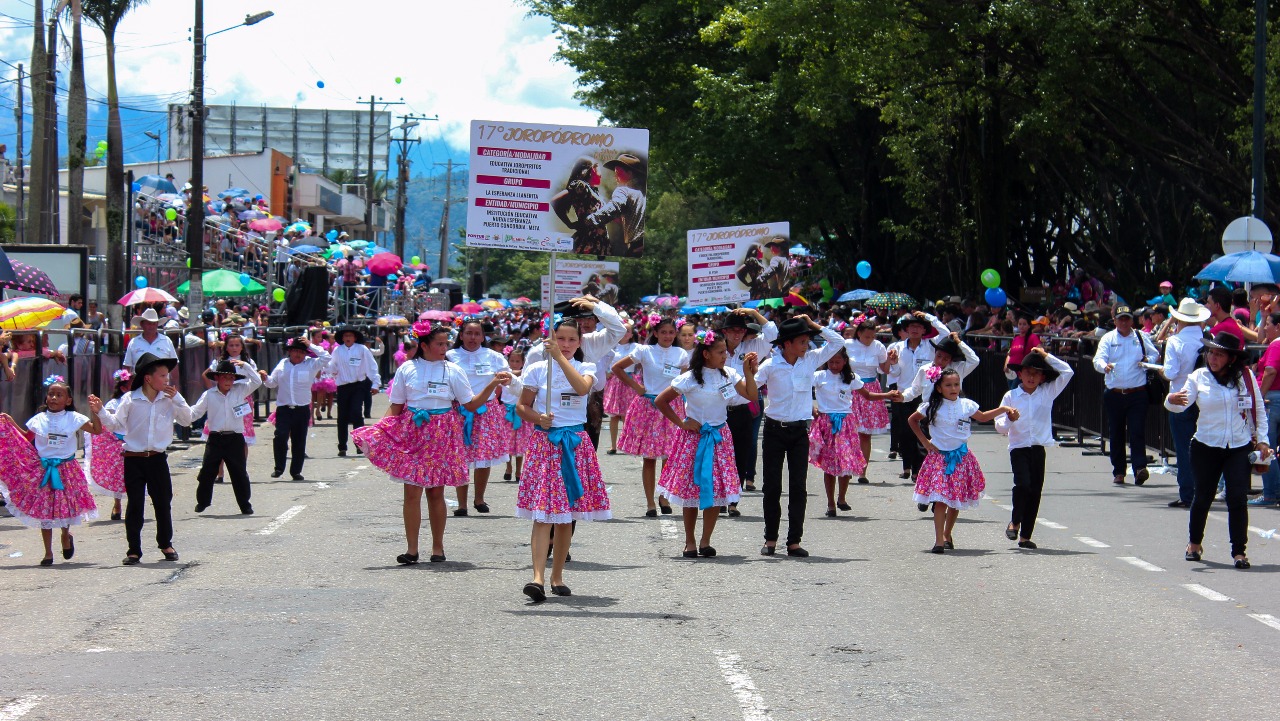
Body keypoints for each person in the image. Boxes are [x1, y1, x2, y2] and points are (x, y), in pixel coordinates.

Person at [354, 326, 510, 564]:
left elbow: (470, 404)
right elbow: (396, 406)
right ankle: (412, 550)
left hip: (442, 434)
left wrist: (491, 384)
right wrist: (379, 431)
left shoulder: (453, 370)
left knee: (436, 492)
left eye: (446, 344)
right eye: (439, 344)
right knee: (411, 492)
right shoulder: (407, 369)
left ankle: (438, 547)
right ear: (424, 345)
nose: (444, 348)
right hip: (413, 432)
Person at [515, 317, 611, 602]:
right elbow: (522, 406)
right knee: (543, 512)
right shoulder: (536, 370)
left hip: (575, 443)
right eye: (560, 339)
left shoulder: (587, 368)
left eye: (571, 339)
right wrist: (538, 418)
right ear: (550, 339)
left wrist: (559, 357)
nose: (565, 344)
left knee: (566, 514)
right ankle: (537, 577)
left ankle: (557, 575)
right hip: (545, 443)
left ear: (579, 342)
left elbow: (581, 388)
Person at [1165, 332, 1269, 570]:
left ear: (1231, 358)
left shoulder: (1245, 378)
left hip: (1239, 446)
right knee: (1203, 496)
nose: (1212, 358)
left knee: (1237, 498)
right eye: (1210, 353)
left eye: (1219, 354)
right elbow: (1180, 404)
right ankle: (1194, 544)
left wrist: (1262, 440)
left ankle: (1239, 552)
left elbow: (1258, 410)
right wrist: (1171, 400)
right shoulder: (1198, 377)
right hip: (1206, 446)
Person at [654, 328, 758, 558]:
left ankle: (705, 541)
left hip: (719, 438)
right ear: (706, 354)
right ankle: (690, 541)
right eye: (720, 352)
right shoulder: (690, 377)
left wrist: (749, 373)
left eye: (725, 352)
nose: (725, 356)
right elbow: (661, 401)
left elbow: (751, 395)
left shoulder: (729, 374)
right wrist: (682, 423)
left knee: (717, 488)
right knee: (691, 491)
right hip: (694, 438)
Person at [753, 315, 844, 557]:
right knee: (772, 487)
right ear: (787, 344)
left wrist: (814, 325)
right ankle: (770, 539)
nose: (806, 346)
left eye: (807, 341)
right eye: (802, 341)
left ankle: (794, 541)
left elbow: (838, 342)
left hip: (800, 431)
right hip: (774, 430)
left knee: (798, 487)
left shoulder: (811, 360)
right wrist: (747, 373)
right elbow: (749, 388)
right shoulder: (770, 365)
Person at [96, 353, 193, 566]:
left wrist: (177, 398)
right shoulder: (131, 399)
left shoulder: (169, 400)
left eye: (167, 375)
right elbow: (116, 424)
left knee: (163, 501)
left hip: (157, 458)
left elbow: (187, 420)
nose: (167, 380)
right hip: (134, 459)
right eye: (162, 376)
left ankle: (165, 543)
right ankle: (134, 550)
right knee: (135, 504)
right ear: (148, 378)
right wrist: (101, 411)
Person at [909, 369, 1016, 553]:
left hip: (960, 458)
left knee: (954, 499)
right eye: (948, 385)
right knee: (940, 499)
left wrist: (1003, 409)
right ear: (939, 388)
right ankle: (938, 541)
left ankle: (947, 534)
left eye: (956, 384)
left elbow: (983, 416)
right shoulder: (931, 406)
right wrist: (925, 442)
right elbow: (912, 420)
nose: (953, 388)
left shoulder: (966, 405)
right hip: (939, 459)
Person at [0, 376, 101, 565]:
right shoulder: (39, 419)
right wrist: (11, 423)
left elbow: (96, 430)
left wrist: (96, 412)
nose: (53, 398)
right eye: (51, 394)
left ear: (68, 400)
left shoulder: (74, 418)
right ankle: (48, 552)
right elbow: (26, 437)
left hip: (67, 470)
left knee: (65, 507)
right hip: (43, 469)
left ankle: (65, 535)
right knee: (44, 511)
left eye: (59, 395)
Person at [995, 348, 1075, 548]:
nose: (1031, 377)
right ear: (1019, 374)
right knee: (1023, 484)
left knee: (1035, 490)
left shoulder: (1047, 392)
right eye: (1027, 372)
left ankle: (1025, 536)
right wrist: (1009, 419)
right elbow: (999, 426)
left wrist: (1046, 356)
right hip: (1018, 447)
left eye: (1036, 373)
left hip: (1038, 447)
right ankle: (1015, 522)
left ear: (1042, 377)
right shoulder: (1011, 396)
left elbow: (1067, 372)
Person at [524, 297, 627, 450]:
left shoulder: (589, 342)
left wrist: (597, 306)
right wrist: (538, 418)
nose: (582, 325)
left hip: (585, 410)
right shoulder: (538, 353)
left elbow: (619, 330)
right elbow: (523, 396)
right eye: (576, 321)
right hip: (547, 422)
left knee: (586, 455)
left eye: (586, 319)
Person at [613, 316, 690, 516]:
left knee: (669, 456)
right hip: (649, 406)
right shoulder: (644, 350)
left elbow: (687, 379)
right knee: (649, 458)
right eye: (663, 332)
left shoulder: (681, 354)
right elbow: (617, 368)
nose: (667, 336)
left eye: (671, 332)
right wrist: (637, 387)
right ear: (655, 333)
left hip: (672, 407)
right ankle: (650, 503)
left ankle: (664, 496)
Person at [809, 348, 900, 516]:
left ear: (845, 362)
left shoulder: (851, 378)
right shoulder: (819, 376)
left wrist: (886, 395)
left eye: (837, 362)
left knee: (846, 462)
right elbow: (801, 389)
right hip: (826, 423)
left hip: (846, 423)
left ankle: (841, 498)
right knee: (829, 465)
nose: (834, 365)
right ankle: (830, 504)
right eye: (831, 362)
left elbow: (868, 395)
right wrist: (811, 408)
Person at [896, 331, 980, 492]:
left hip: (951, 419)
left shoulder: (956, 370)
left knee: (948, 455)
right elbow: (915, 389)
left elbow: (975, 360)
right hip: (929, 415)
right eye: (939, 356)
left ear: (951, 360)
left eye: (946, 358)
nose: (941, 360)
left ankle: (943, 491)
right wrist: (903, 397)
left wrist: (959, 342)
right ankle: (925, 489)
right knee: (926, 453)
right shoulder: (925, 370)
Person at [447, 318, 515, 515]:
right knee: (460, 457)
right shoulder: (450, 356)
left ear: (483, 337)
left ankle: (479, 498)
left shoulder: (494, 357)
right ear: (461, 335)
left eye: (477, 334)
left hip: (486, 412)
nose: (473, 338)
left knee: (483, 456)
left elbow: (507, 380)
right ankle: (461, 504)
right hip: (459, 411)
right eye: (469, 333)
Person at [1092, 305, 1159, 485]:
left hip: (1137, 392)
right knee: (1116, 432)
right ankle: (1119, 471)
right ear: (1114, 320)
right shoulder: (1108, 338)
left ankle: (1139, 468)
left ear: (1132, 320)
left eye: (1127, 319)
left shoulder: (1140, 336)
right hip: (1114, 392)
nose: (1124, 322)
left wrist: (1147, 360)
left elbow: (1154, 354)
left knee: (1137, 431)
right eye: (1120, 319)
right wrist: (1104, 366)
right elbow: (1098, 359)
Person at [720, 309, 777, 510]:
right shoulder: (717, 349)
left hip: (742, 409)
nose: (737, 334)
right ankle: (720, 497)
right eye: (733, 330)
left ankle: (733, 500)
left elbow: (772, 334)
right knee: (719, 456)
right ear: (725, 332)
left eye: (741, 330)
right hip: (718, 411)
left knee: (741, 455)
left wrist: (754, 312)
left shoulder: (752, 347)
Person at [190, 359, 261, 515]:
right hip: (216, 438)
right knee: (207, 471)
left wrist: (245, 366)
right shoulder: (209, 395)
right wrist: (180, 410)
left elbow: (257, 381)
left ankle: (245, 504)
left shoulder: (240, 390)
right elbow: (195, 412)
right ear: (217, 378)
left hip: (235, 438)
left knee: (239, 473)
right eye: (224, 377)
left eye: (231, 378)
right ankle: (203, 501)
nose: (228, 381)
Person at [887, 312, 949, 479]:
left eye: (918, 326)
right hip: (905, 393)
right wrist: (893, 363)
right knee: (905, 432)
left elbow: (945, 333)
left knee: (921, 433)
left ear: (924, 330)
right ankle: (907, 466)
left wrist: (930, 318)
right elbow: (894, 373)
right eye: (911, 326)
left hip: (924, 396)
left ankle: (917, 470)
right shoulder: (897, 347)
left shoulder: (931, 345)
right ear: (906, 330)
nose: (914, 329)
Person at [1161, 298, 1210, 508]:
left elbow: (1171, 373)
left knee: (1184, 448)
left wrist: (1161, 371)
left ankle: (1188, 494)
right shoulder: (1208, 339)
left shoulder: (1176, 341)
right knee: (1207, 448)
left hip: (1181, 398)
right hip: (1206, 399)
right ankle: (1205, 490)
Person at [261, 337, 331, 481]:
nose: (298, 354)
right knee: (280, 436)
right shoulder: (283, 364)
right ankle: (279, 468)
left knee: (299, 440)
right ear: (290, 352)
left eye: (301, 352)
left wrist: (311, 345)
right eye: (295, 351)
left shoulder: (311, 364)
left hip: (302, 408)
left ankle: (296, 471)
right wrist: (265, 378)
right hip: (284, 408)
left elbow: (326, 357)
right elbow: (272, 383)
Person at [843, 318, 891, 484]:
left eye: (872, 336)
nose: (869, 339)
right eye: (866, 336)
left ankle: (862, 471)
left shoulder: (878, 346)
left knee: (865, 434)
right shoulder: (847, 345)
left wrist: (891, 360)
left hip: (870, 388)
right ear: (859, 334)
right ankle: (848, 466)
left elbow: (885, 369)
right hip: (851, 388)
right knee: (849, 431)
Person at [86, 369, 132, 521]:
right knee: (118, 474)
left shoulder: (137, 401)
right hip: (117, 443)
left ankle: (133, 504)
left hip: (134, 441)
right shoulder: (114, 403)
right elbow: (109, 423)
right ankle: (117, 503)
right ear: (123, 388)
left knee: (133, 474)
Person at [328, 326, 381, 458]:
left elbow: (371, 366)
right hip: (343, 386)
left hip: (358, 385)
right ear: (342, 338)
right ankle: (342, 446)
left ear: (355, 338)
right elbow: (332, 366)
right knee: (342, 416)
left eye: (350, 336)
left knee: (357, 412)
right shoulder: (337, 350)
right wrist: (331, 373)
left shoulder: (362, 349)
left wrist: (375, 383)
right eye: (346, 336)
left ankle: (360, 445)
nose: (348, 338)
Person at [581, 153, 647, 257]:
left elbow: (615, 206)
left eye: (618, 173)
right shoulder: (643, 194)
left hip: (636, 246)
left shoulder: (623, 190)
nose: (615, 176)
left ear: (629, 173)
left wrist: (590, 220)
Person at [551, 157, 609, 257]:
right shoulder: (580, 186)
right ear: (592, 170)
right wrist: (569, 224)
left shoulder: (593, 190)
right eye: (598, 168)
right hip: (588, 240)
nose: (601, 175)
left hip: (599, 241)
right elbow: (554, 200)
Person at [1254, 311, 1280, 508]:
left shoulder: (1276, 345)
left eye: (1268, 324)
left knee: (1266, 447)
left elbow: (1270, 371)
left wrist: (1260, 397)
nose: (1264, 327)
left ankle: (1271, 493)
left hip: (1272, 399)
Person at [602, 325, 641, 455]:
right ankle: (613, 445)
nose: (625, 333)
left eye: (627, 331)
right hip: (615, 382)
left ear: (631, 334)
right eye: (623, 330)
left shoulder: (636, 347)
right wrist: (606, 372)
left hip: (629, 381)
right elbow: (604, 361)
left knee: (627, 415)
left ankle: (626, 444)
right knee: (613, 415)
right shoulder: (612, 346)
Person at [1003, 312, 1042, 390]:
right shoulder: (1016, 338)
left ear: (1029, 326)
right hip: (1011, 371)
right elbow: (1010, 353)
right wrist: (1006, 365)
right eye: (1020, 324)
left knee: (1014, 391)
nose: (1021, 326)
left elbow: (1040, 349)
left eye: (1024, 324)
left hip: (1022, 371)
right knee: (1012, 391)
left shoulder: (1032, 337)